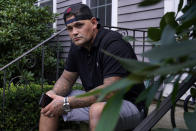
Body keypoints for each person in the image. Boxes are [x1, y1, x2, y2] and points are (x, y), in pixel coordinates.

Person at [39, 3, 146, 131]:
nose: (74, 32)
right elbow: (66, 79)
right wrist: (54, 94)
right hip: (96, 101)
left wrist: (66, 103)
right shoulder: (77, 47)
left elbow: (110, 91)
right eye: (70, 28)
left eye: (79, 25)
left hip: (130, 105)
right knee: (49, 103)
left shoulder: (113, 44)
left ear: (94, 23)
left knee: (98, 110)